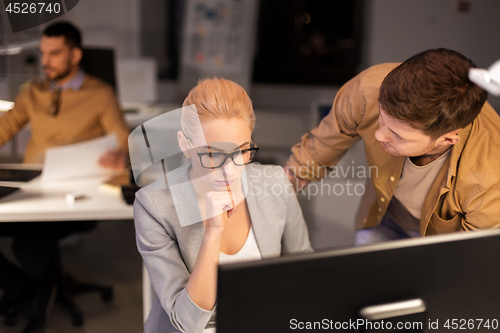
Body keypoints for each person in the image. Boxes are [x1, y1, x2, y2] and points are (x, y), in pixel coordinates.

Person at [134, 78, 312, 333]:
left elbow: (303, 273)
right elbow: (187, 322)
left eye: (241, 151)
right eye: (212, 154)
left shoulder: (275, 183)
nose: (229, 170)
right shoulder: (154, 205)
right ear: (185, 145)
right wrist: (212, 235)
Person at [285, 48, 500, 245]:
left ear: (447, 139)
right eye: (381, 116)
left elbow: (468, 256)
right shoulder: (368, 89)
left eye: (397, 134)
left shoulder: (490, 179)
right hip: (382, 213)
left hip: (441, 241)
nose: (379, 135)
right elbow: (314, 155)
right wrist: (277, 196)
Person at [0, 21, 130, 332]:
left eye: (55, 53)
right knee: (29, 242)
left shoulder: (100, 93)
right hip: (34, 188)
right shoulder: (34, 92)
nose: (45, 61)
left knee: (28, 245)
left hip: (78, 193)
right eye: (43, 53)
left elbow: (122, 138)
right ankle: (25, 288)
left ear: (75, 55)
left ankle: (39, 298)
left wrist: (122, 153)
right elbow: (6, 127)